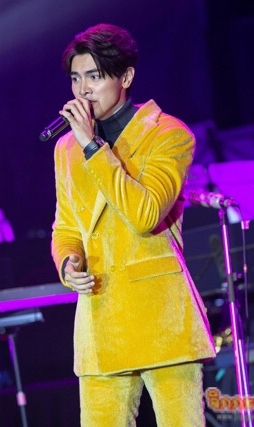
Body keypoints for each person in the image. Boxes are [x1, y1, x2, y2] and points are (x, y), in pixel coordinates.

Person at [50, 23, 216, 426]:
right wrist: (68, 264)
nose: (83, 90)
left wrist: (93, 147)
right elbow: (66, 227)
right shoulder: (66, 148)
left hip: (161, 318)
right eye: (75, 78)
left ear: (125, 77)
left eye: (94, 76)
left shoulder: (168, 134)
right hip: (100, 320)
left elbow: (145, 215)